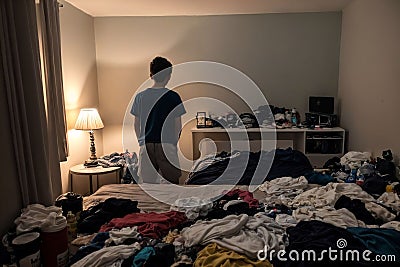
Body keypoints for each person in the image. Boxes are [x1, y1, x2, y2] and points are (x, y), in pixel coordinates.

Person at [131, 56, 186, 184]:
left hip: (147, 144)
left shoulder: (140, 97)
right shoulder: (173, 97)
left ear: (151, 75)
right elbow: (178, 125)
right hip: (167, 143)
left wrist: (141, 141)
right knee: (171, 182)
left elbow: (136, 124)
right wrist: (173, 142)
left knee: (148, 183)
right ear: (168, 76)